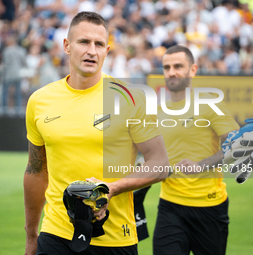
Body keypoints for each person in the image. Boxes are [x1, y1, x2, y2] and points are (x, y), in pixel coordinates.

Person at [24, 11, 169, 255]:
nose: (92, 50)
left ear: (107, 50)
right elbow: (36, 171)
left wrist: (112, 188)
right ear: (67, 46)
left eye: (99, 44)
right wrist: (31, 235)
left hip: (114, 240)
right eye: (84, 42)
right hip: (56, 234)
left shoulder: (131, 98)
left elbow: (160, 163)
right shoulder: (40, 100)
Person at [153, 45, 240, 255]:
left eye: (178, 66)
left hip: (209, 206)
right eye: (166, 67)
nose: (171, 72)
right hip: (169, 205)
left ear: (193, 70)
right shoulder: (156, 110)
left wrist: (201, 165)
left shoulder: (209, 103)